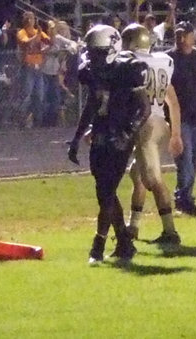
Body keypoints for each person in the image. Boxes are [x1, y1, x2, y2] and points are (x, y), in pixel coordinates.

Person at [68, 25, 148, 265]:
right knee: (105, 191)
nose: (92, 58)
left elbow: (143, 109)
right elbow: (93, 103)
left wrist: (127, 132)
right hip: (102, 132)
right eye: (91, 52)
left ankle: (98, 245)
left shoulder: (128, 68)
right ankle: (123, 242)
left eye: (97, 52)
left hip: (121, 134)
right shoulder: (94, 71)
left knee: (106, 191)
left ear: (112, 49)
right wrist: (76, 136)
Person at [121, 24, 184, 245]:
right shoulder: (162, 62)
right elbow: (173, 102)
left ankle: (170, 232)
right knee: (137, 175)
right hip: (160, 123)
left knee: (152, 179)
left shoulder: (132, 64)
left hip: (146, 124)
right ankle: (133, 227)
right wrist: (175, 134)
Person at [167, 22, 196, 215]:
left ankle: (185, 194)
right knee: (185, 157)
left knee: (195, 158)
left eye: (185, 34)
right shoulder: (171, 58)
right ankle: (184, 198)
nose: (182, 38)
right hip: (180, 115)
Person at [16, 12, 48, 128]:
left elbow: (49, 42)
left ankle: (37, 122)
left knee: (39, 95)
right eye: (27, 18)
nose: (29, 20)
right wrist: (37, 35)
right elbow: (26, 42)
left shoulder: (38, 32)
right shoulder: (21, 32)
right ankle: (22, 122)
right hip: (28, 67)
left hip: (38, 67)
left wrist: (51, 30)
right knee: (26, 96)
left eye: (31, 18)